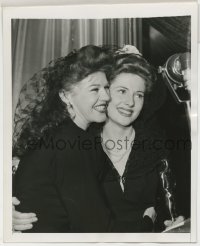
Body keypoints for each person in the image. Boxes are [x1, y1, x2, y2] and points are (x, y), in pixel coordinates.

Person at [12, 45, 183, 232]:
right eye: (121, 91)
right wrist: (8, 207)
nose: (130, 102)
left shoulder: (154, 146)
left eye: (139, 95)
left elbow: (169, 208)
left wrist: (172, 226)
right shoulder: (76, 140)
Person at [12, 45, 115, 232]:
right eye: (95, 89)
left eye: (107, 87)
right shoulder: (68, 143)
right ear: (65, 96)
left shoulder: (76, 137)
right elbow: (95, 227)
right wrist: (149, 224)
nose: (107, 96)